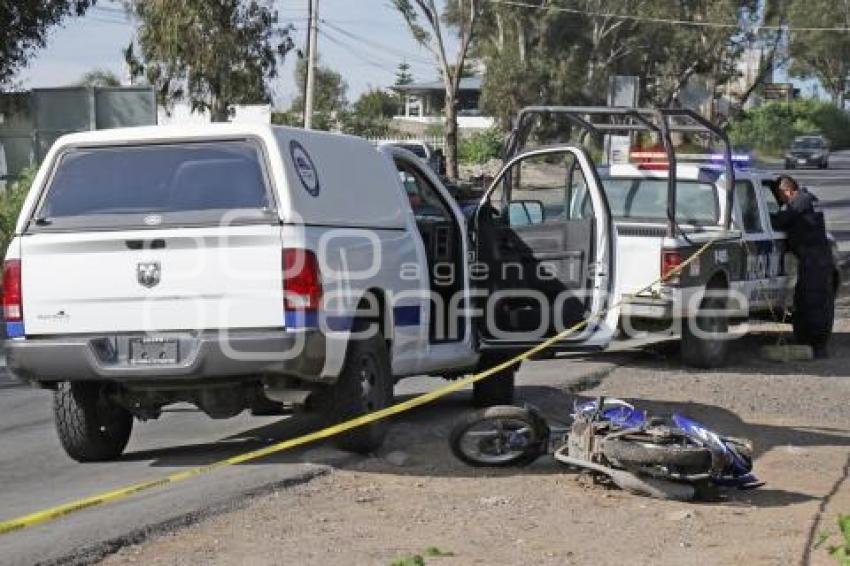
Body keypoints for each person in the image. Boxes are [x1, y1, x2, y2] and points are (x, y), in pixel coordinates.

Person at [770, 175, 834, 358]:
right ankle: (813, 342)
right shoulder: (807, 199)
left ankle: (817, 346)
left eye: (780, 197)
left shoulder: (800, 201)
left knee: (812, 301)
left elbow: (780, 220)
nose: (781, 202)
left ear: (787, 190)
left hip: (814, 261)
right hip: (816, 259)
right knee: (809, 300)